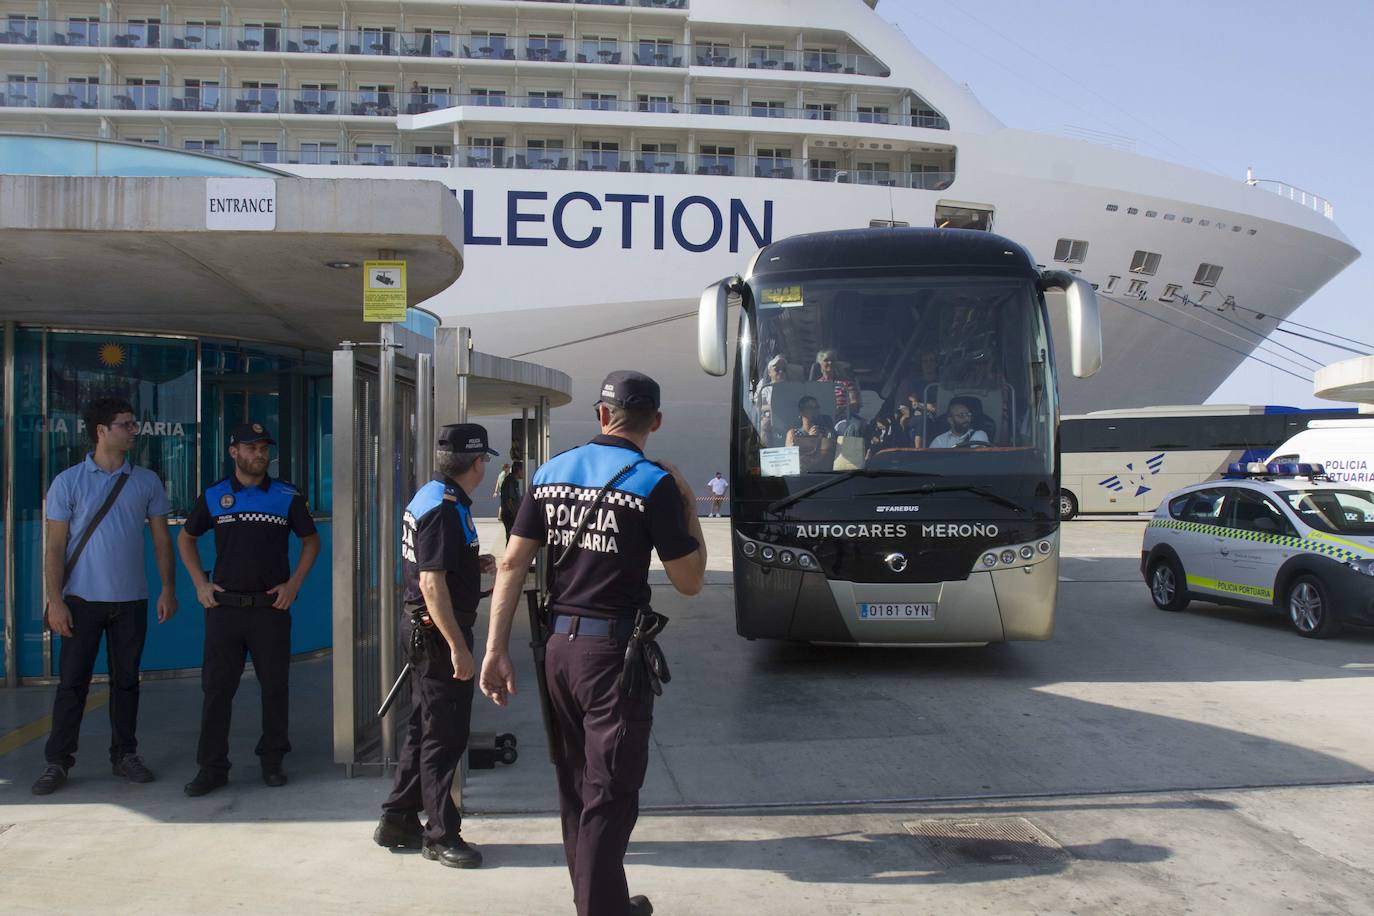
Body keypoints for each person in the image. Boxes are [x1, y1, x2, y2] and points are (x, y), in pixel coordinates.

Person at [480, 370, 706, 916]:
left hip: (557, 650)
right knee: (610, 792)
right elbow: (690, 580)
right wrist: (690, 504)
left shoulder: (551, 473)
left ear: (601, 415)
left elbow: (512, 562)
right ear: (655, 421)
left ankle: (599, 901)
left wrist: (494, 649)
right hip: (613, 660)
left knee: (577, 788)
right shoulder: (652, 483)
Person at [32, 397, 177, 796]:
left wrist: (168, 588)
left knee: (127, 682)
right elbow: (55, 547)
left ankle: (125, 755)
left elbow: (163, 540)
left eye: (134, 424)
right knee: (71, 684)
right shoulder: (68, 482)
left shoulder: (146, 481)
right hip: (80, 600)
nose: (134, 430)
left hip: (132, 600)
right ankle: (58, 761)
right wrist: (55, 600)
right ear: (101, 431)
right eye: (126, 424)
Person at [374, 423, 497, 869]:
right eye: (484, 460)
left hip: (426, 630)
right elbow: (430, 581)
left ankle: (398, 818)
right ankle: (440, 834)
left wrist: (470, 564)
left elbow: (436, 564)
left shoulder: (431, 495)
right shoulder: (444, 509)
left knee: (424, 728)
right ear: (476, 464)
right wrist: (458, 649)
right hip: (439, 634)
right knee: (444, 737)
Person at [179, 423, 320, 796]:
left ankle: (272, 759)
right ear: (233, 452)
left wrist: (293, 586)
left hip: (270, 609)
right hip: (224, 609)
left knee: (275, 688)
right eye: (250, 447)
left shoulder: (287, 495)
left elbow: (310, 542)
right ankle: (212, 767)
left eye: (263, 448)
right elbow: (187, 537)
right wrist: (200, 584)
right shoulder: (215, 496)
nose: (259, 454)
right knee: (216, 690)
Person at [785, 395, 835, 472]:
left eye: (816, 407)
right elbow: (790, 458)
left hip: (822, 473)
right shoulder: (793, 433)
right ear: (801, 411)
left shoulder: (826, 432)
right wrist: (810, 438)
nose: (814, 411)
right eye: (810, 408)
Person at [813, 348, 860, 418]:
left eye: (832, 360)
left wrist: (841, 409)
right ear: (819, 363)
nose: (830, 363)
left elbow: (855, 404)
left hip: (844, 418)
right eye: (826, 360)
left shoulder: (846, 382)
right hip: (823, 419)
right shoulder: (816, 385)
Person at [499, 460, 523, 540]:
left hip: (510, 515)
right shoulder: (511, 481)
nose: (524, 473)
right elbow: (509, 500)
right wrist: (516, 515)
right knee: (512, 538)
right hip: (510, 515)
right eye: (523, 470)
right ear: (518, 470)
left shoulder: (512, 480)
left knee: (511, 538)